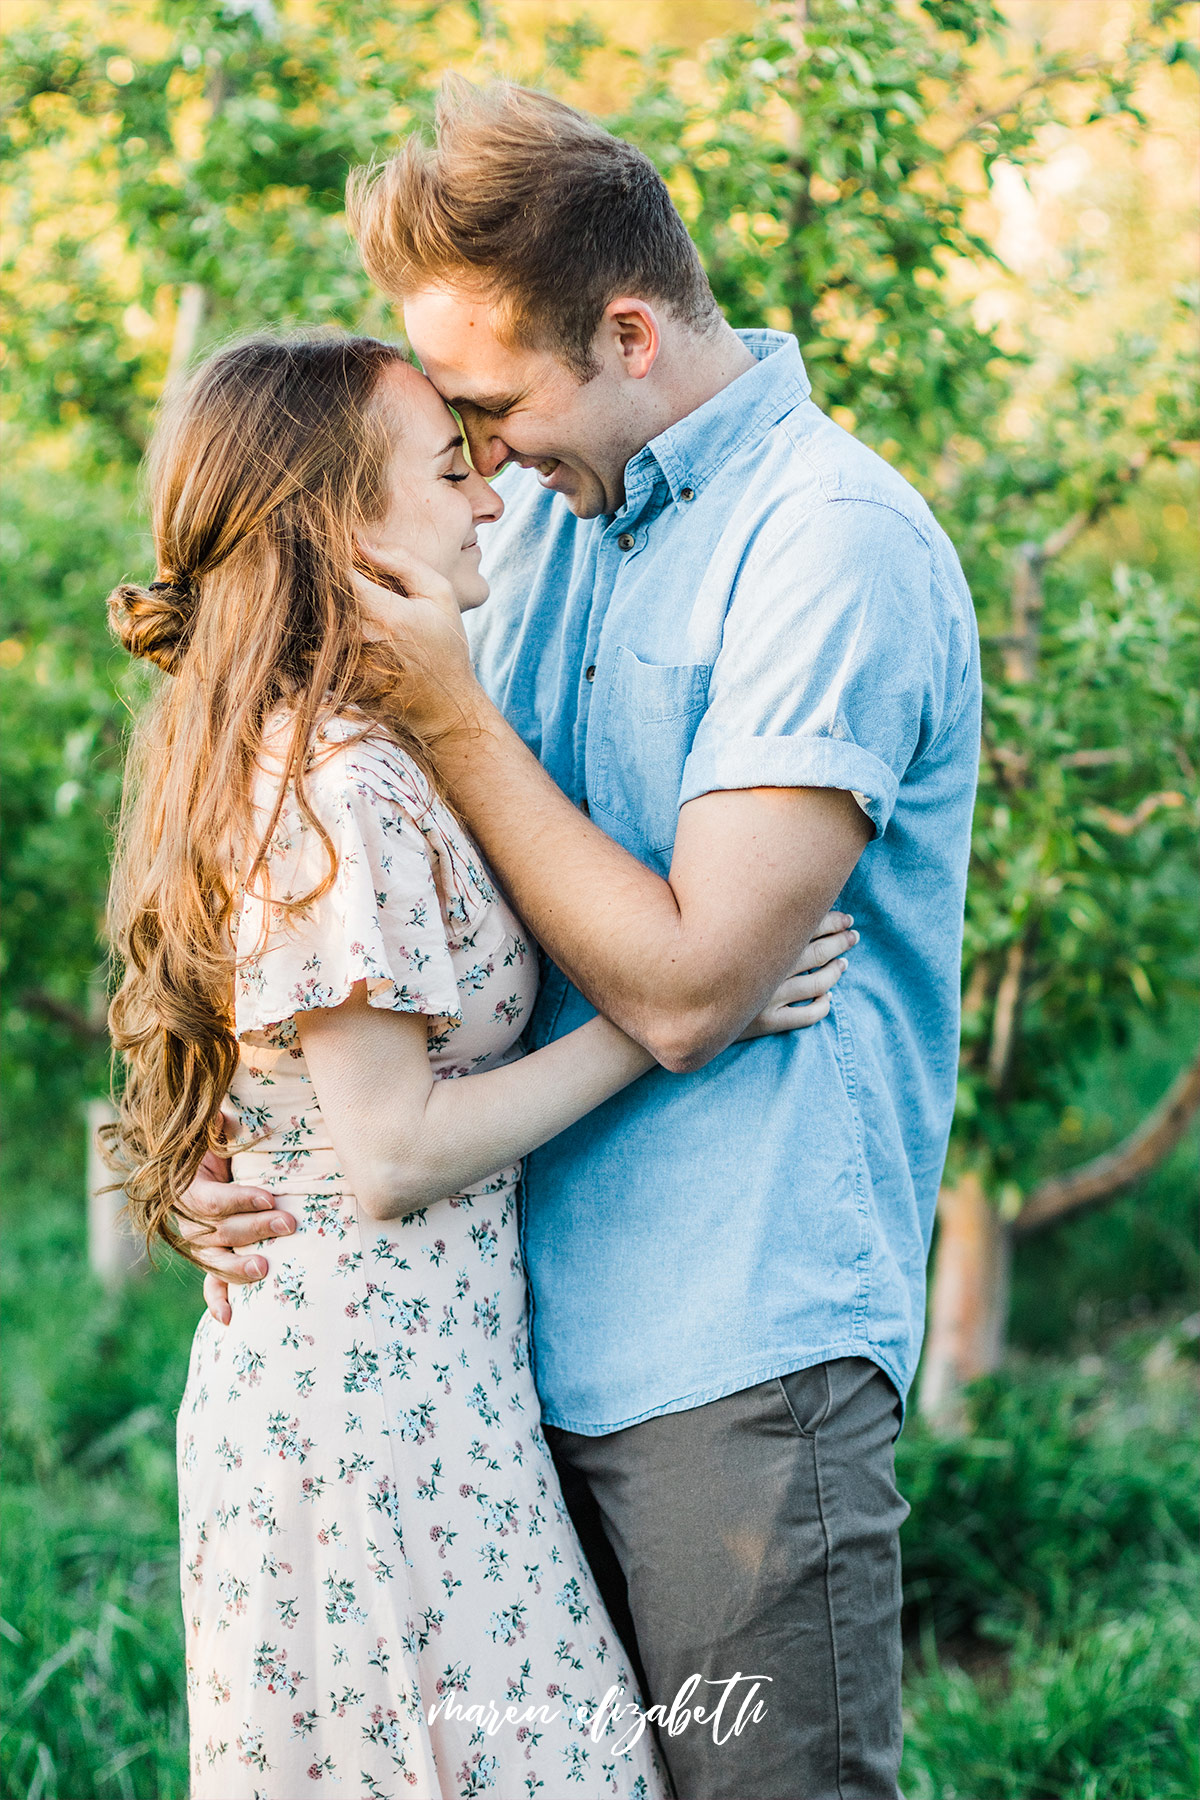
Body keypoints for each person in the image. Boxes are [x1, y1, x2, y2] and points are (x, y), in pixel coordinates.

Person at [190, 77, 981, 1800]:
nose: (479, 461)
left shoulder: (828, 549)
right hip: (479, 1369)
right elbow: (309, 857)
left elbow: (700, 992)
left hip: (728, 1372)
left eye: (492, 407)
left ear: (627, 333)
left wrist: (452, 713)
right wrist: (259, 1147)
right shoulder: (536, 523)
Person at [105, 332, 852, 1799]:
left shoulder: (354, 750)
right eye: (449, 473)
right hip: (369, 1430)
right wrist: (669, 1017)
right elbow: (392, 1153)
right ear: (340, 527)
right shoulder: (335, 780)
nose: (490, 500)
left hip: (422, 1399)